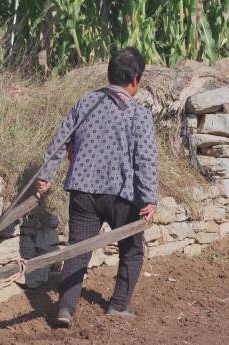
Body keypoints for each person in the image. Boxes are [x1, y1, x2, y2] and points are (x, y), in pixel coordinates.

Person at [36, 47, 158, 328]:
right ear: (135, 79)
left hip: (83, 191)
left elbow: (59, 142)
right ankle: (117, 306)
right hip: (122, 197)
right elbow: (146, 159)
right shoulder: (139, 115)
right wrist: (149, 197)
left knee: (77, 250)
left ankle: (65, 309)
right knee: (132, 250)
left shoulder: (86, 103)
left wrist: (46, 176)